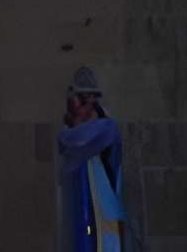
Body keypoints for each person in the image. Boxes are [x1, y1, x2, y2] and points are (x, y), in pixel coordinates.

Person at [57, 68, 140, 252]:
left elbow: (75, 140)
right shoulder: (75, 139)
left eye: (77, 100)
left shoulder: (106, 130)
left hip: (105, 227)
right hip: (83, 225)